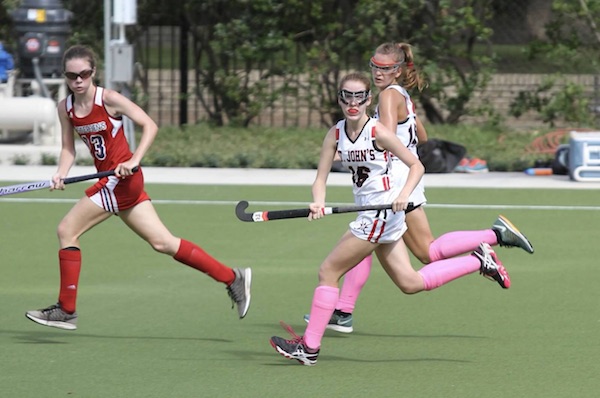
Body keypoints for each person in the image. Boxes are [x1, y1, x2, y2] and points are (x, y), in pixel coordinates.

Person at [270, 72, 511, 366]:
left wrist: (404, 193)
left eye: (359, 96)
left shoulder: (379, 132)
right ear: (340, 100)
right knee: (410, 282)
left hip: (380, 215)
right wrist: (318, 202)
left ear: (369, 99)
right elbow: (320, 178)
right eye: (347, 96)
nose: (353, 103)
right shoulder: (335, 134)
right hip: (373, 214)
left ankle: (309, 347)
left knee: (328, 272)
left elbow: (416, 165)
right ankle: (479, 261)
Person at [304, 42, 534, 334]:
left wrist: (355, 148)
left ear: (398, 70)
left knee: (414, 252)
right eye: (375, 65)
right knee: (402, 250)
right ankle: (343, 310)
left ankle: (493, 239)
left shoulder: (387, 96)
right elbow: (421, 134)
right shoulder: (402, 95)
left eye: (386, 68)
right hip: (400, 182)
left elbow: (381, 137)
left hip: (396, 185)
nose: (378, 72)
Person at [25, 45, 251, 331]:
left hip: (123, 179)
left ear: (93, 72)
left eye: (84, 74)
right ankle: (233, 278)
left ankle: (67, 309)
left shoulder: (109, 99)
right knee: (164, 243)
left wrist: (134, 159)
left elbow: (150, 125)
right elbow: (68, 148)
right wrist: (61, 172)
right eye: (72, 76)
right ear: (66, 77)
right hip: (109, 180)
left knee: (66, 230)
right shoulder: (66, 108)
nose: (78, 80)